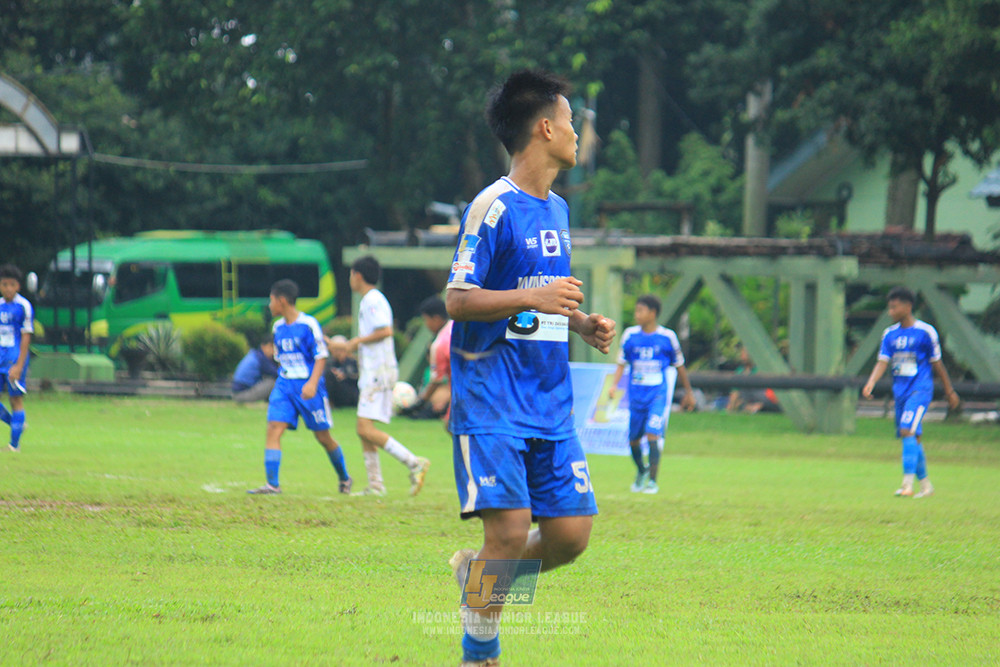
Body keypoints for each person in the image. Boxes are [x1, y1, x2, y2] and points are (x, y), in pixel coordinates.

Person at [444, 69, 616, 667]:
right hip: (491, 396)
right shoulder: (491, 207)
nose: (576, 134)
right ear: (545, 128)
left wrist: (579, 322)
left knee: (570, 537)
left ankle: (479, 573)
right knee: (511, 533)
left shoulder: (558, 209)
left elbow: (536, 295)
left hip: (549, 399)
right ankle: (480, 652)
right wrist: (534, 298)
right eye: (570, 121)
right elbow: (458, 300)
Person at [247, 279, 351, 495]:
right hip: (285, 386)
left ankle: (344, 477)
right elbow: (281, 359)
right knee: (274, 428)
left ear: (282, 301)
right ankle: (272, 485)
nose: (269, 305)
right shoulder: (277, 327)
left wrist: (312, 383)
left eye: (271, 300)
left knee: (323, 437)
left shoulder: (308, 324)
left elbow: (321, 356)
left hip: (308, 388)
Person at [862, 286, 960, 498]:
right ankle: (926, 486)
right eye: (889, 307)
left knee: (907, 430)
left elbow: (937, 364)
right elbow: (883, 361)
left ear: (908, 306)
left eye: (894, 307)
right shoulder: (890, 334)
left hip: (920, 389)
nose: (891, 311)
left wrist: (949, 390)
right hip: (900, 392)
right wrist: (871, 382)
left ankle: (907, 485)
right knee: (913, 438)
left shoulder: (926, 332)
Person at [347, 255, 431, 496]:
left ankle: (414, 462)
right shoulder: (370, 299)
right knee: (364, 428)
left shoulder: (372, 299)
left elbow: (385, 330)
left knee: (364, 428)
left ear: (358, 275)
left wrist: (356, 342)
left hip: (378, 373)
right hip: (374, 372)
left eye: (351, 274)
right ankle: (375, 485)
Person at [608, 294, 695, 494]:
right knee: (633, 440)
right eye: (636, 310)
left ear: (653, 313)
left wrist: (688, 392)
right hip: (637, 396)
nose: (636, 314)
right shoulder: (630, 335)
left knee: (652, 433)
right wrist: (613, 386)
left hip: (657, 394)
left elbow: (680, 366)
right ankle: (642, 471)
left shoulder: (667, 337)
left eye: (640, 310)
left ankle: (653, 482)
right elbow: (621, 363)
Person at [0, 265, 32, 452]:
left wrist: (20, 365)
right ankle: (16, 423)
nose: (8, 288)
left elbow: (26, 337)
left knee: (15, 400)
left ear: (18, 286)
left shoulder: (23, 306)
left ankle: (14, 445)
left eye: (12, 284)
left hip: (14, 359)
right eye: (4, 284)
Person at [415, 295, 453, 420]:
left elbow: (437, 380)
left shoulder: (439, 344)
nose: (426, 325)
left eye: (426, 320)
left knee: (450, 424)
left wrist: (420, 402)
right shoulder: (456, 326)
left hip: (466, 389)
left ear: (436, 319)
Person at [231, 334, 279, 403]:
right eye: (271, 346)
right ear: (263, 346)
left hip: (240, 392)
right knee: (272, 382)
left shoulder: (255, 354)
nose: (273, 351)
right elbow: (276, 373)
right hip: (241, 394)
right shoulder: (261, 358)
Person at [323, 334, 360, 408]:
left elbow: (357, 377)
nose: (338, 352)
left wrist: (345, 376)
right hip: (336, 394)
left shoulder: (352, 362)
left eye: (341, 350)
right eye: (336, 350)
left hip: (351, 393)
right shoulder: (329, 363)